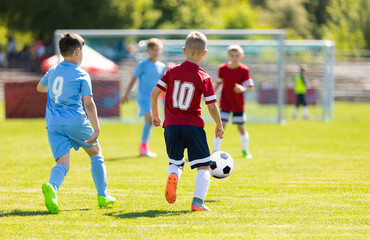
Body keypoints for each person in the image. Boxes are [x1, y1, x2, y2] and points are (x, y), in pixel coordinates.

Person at [36, 32, 115, 214]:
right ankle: (103, 195)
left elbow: (40, 87)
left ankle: (52, 186)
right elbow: (89, 103)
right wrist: (96, 128)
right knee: (95, 152)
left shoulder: (54, 70)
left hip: (53, 124)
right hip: (75, 122)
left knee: (63, 163)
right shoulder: (81, 74)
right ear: (78, 51)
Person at [151, 31, 224, 211]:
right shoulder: (204, 77)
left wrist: (155, 115)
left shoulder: (172, 71)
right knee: (204, 166)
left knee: (175, 162)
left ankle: (173, 176)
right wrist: (219, 125)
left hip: (171, 126)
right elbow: (212, 106)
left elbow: (154, 93)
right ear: (204, 54)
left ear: (184, 51)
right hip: (193, 126)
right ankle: (197, 203)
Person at [121, 38, 166, 157]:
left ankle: (144, 147)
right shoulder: (142, 65)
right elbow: (133, 79)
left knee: (150, 121)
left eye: (157, 50)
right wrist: (126, 94)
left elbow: (165, 83)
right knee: (150, 119)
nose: (155, 52)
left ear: (160, 51)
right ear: (148, 51)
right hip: (143, 97)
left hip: (155, 98)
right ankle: (144, 147)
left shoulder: (161, 66)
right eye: (153, 50)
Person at [212, 45, 254, 158]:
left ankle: (245, 150)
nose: (234, 58)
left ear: (242, 56)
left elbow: (250, 87)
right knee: (221, 125)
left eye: (237, 55)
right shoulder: (223, 68)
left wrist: (242, 88)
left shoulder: (244, 70)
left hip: (238, 104)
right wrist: (210, 95)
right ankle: (215, 151)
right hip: (225, 102)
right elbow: (218, 83)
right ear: (228, 56)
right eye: (232, 55)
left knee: (241, 127)